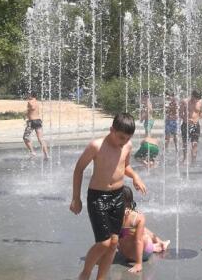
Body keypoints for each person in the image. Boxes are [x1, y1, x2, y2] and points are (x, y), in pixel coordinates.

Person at [70, 113, 147, 280]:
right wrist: (76, 198)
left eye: (127, 138)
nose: (124, 142)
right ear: (112, 129)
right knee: (104, 242)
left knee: (113, 244)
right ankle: (85, 273)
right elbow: (79, 169)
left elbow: (125, 166)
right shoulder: (96, 146)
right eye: (121, 137)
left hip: (118, 197)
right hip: (98, 197)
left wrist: (135, 176)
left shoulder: (127, 146)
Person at [117, 186, 170, 273]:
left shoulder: (112, 215)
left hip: (124, 254)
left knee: (131, 231)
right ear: (130, 199)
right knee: (142, 234)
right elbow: (138, 241)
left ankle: (160, 242)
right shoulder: (137, 217)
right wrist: (138, 263)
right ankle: (158, 246)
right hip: (142, 256)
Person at [179, 90, 202, 165]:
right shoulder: (185, 101)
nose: (197, 100)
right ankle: (185, 158)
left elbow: (200, 113)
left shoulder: (200, 102)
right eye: (196, 98)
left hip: (196, 125)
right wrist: (186, 119)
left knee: (195, 143)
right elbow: (180, 114)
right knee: (185, 143)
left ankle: (193, 160)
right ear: (192, 96)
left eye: (198, 98)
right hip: (186, 124)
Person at [22, 92, 49, 160]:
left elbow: (32, 108)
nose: (27, 96)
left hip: (32, 122)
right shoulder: (37, 102)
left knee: (25, 137)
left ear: (31, 96)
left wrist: (26, 111)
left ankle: (33, 152)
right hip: (38, 121)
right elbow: (33, 110)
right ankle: (46, 155)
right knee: (40, 139)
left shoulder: (30, 102)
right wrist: (26, 114)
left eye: (28, 95)